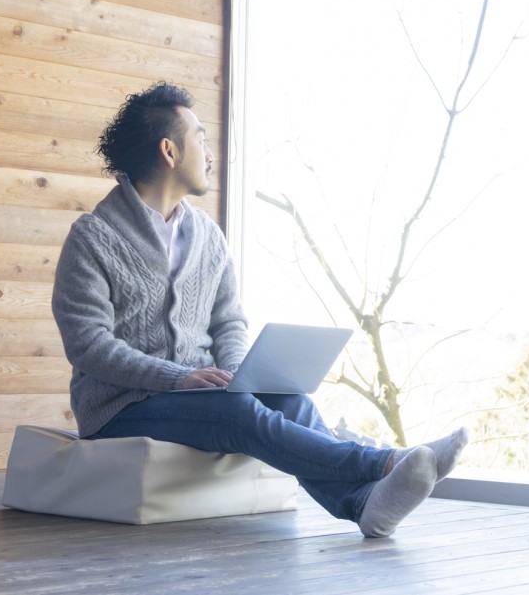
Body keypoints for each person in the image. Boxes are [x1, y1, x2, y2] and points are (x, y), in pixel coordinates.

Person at [52, 82, 468, 537]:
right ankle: (385, 462)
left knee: (291, 400)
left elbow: (229, 321)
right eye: (201, 140)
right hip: (120, 408)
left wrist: (238, 375)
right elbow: (88, 344)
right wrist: (178, 378)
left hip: (200, 394)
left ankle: (362, 504)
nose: (209, 154)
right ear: (169, 151)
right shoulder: (93, 237)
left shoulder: (207, 236)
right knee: (236, 414)